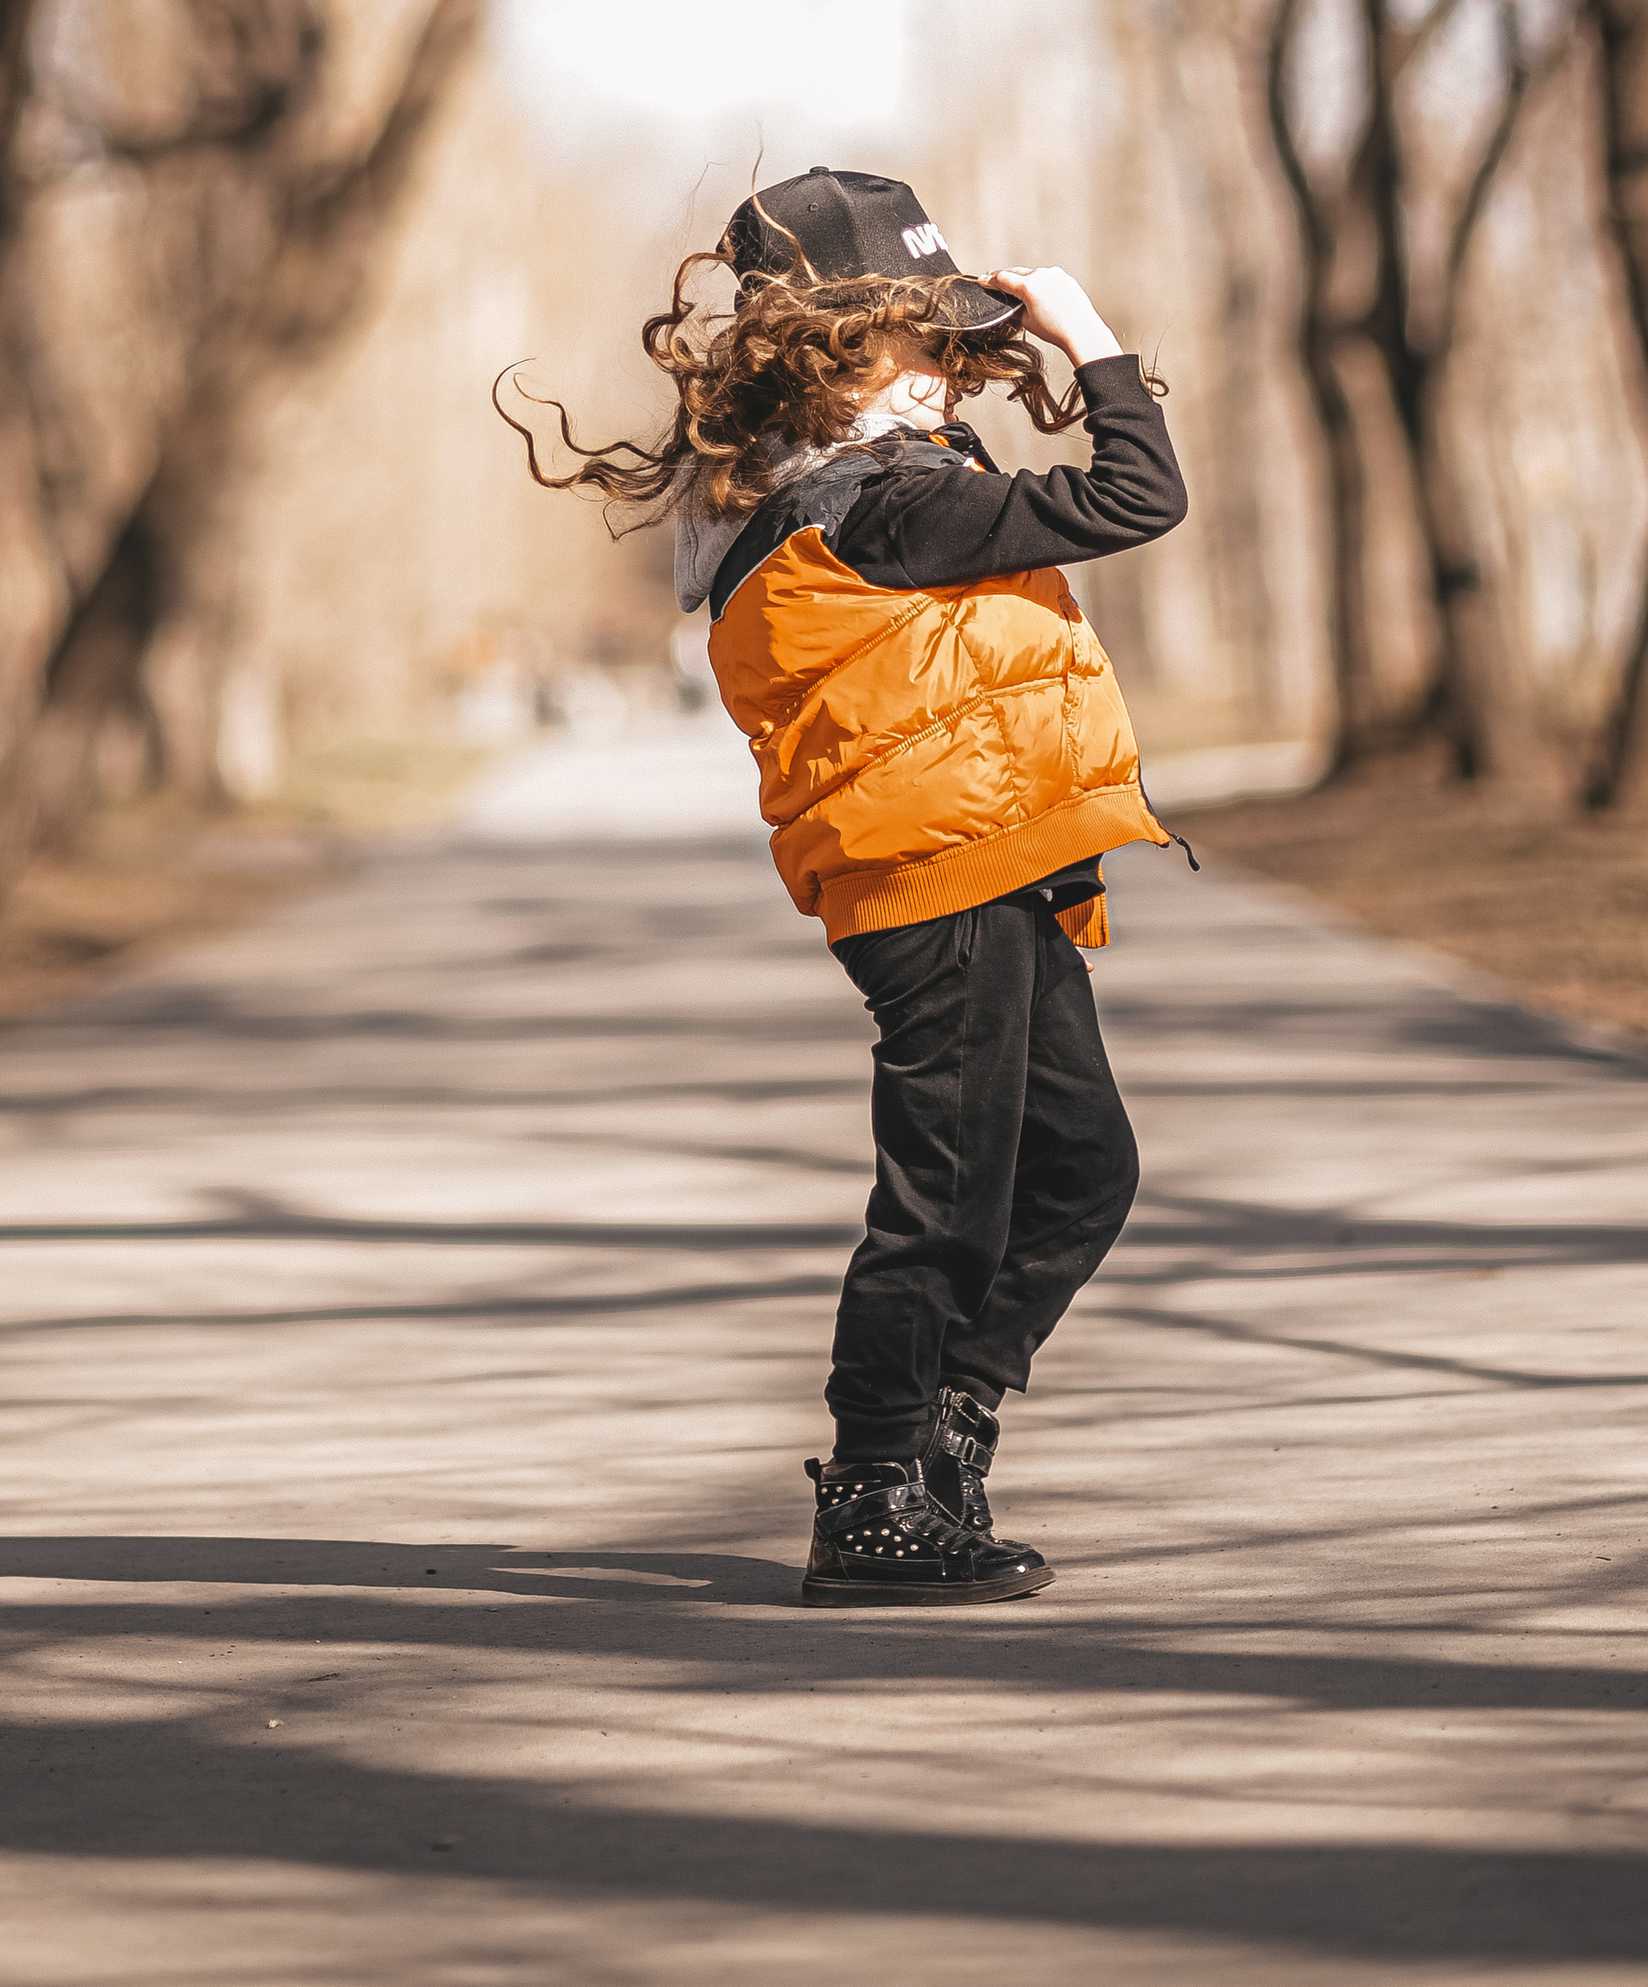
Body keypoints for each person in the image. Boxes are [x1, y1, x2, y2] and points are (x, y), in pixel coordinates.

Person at [502, 163, 1191, 1607]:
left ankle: (946, 1431)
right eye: (918, 340)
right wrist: (1088, 337)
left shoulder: (864, 486)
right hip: (937, 885)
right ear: (828, 350)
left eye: (957, 340)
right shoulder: (879, 504)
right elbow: (1140, 490)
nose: (949, 366)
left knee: (1083, 1170)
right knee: (944, 1199)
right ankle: (876, 1491)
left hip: (985, 866)